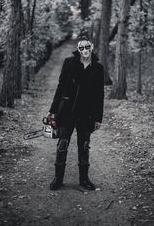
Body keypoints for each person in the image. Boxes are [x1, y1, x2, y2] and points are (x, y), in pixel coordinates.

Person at [48, 33, 104, 190]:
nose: (85, 50)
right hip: (67, 111)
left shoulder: (98, 68)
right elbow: (60, 87)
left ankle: (84, 179)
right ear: (78, 48)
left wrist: (98, 118)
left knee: (84, 145)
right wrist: (53, 110)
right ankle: (58, 179)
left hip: (87, 114)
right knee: (62, 143)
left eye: (87, 47)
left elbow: (100, 94)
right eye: (82, 47)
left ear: (91, 47)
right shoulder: (69, 63)